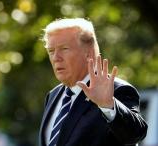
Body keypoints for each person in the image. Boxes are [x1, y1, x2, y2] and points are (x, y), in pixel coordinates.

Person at [38, 18, 147, 146]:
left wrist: (108, 105)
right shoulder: (53, 95)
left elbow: (134, 135)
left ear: (89, 53)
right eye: (51, 51)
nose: (56, 58)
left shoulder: (115, 90)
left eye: (64, 49)